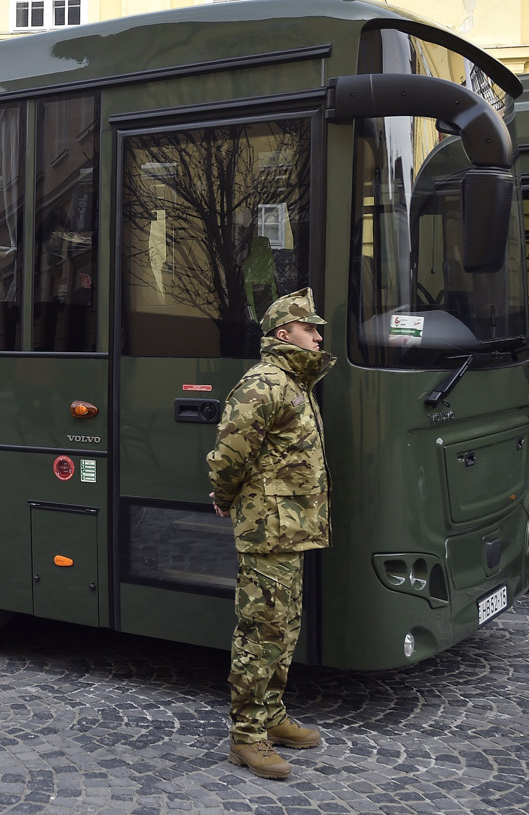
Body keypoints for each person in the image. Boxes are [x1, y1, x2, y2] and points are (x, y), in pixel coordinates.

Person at [205, 287, 333, 780]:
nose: (319, 336)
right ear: (284, 334)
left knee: (284, 628)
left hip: (291, 531)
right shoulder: (264, 384)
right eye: (310, 328)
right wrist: (224, 494)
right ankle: (246, 736)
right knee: (260, 632)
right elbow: (230, 454)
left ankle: (272, 717)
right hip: (268, 531)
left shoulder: (296, 384)